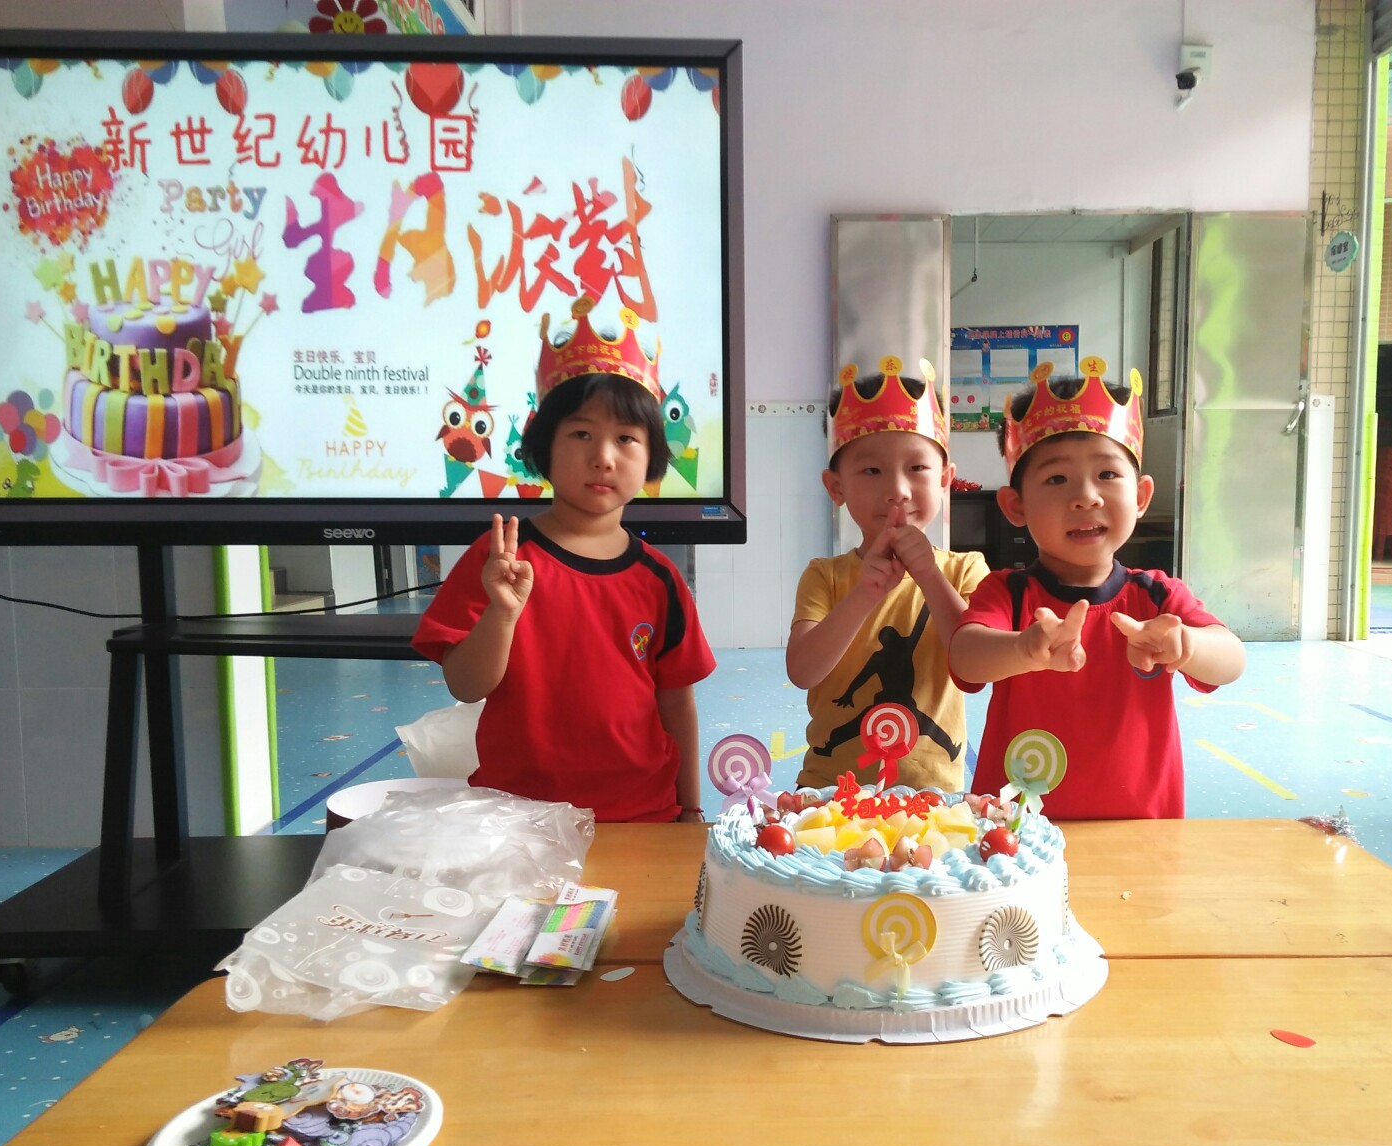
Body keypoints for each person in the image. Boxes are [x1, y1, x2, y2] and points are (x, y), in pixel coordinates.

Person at [412, 298, 715, 822]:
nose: (604, 457)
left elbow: (676, 702)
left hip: (642, 816)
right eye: (581, 434)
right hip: (518, 818)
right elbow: (465, 685)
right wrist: (502, 613)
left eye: (626, 438)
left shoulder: (660, 579)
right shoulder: (501, 558)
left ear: (651, 457)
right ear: (543, 447)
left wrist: (690, 808)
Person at [949, 356, 1245, 819]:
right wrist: (1024, 649)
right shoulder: (1008, 593)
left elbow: (1231, 659)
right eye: (1056, 478)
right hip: (1014, 834)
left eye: (1107, 474)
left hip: (1140, 831)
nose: (1086, 496)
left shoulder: (1158, 597)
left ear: (1141, 496)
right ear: (1015, 506)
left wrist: (1186, 644)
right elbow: (965, 656)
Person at [787, 356, 989, 792]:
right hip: (828, 792)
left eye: (917, 468)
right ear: (836, 487)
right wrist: (865, 593)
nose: (897, 490)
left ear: (945, 480)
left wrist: (930, 576)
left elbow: (975, 670)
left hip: (933, 798)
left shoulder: (965, 570)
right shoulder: (825, 576)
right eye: (871, 470)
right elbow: (803, 671)